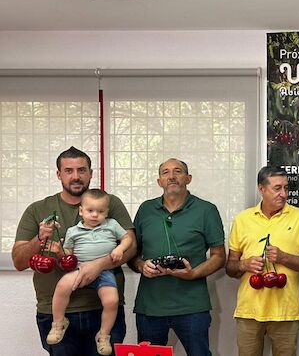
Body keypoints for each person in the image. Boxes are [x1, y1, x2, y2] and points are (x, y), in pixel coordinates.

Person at [12, 146, 135, 356]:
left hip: (102, 308)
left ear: (91, 173)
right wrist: (40, 238)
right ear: (58, 174)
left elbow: (131, 246)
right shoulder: (37, 209)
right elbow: (19, 262)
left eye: (82, 170)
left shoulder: (108, 202)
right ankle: (59, 323)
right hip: (54, 310)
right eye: (68, 171)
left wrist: (99, 265)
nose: (76, 176)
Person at [129, 158, 226, 356]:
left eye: (177, 171)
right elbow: (131, 253)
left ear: (188, 178)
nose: (172, 176)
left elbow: (219, 256)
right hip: (150, 306)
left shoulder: (206, 210)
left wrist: (193, 274)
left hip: (192, 305)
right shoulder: (146, 209)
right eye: (165, 172)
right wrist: (141, 265)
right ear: (159, 181)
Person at [226, 166, 299, 356]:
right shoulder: (243, 219)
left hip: (286, 312)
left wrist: (284, 257)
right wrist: (244, 264)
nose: (283, 194)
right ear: (261, 189)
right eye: (277, 188)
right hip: (249, 311)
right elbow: (230, 267)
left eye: (286, 188)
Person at [48, 189, 133, 355]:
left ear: (106, 212)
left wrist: (120, 249)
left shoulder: (112, 225)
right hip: (80, 268)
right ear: (81, 211)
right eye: (90, 210)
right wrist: (59, 252)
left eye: (100, 211)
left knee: (112, 300)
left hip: (105, 271)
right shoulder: (73, 231)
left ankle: (103, 335)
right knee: (62, 286)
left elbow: (127, 238)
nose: (95, 215)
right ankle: (58, 323)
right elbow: (68, 255)